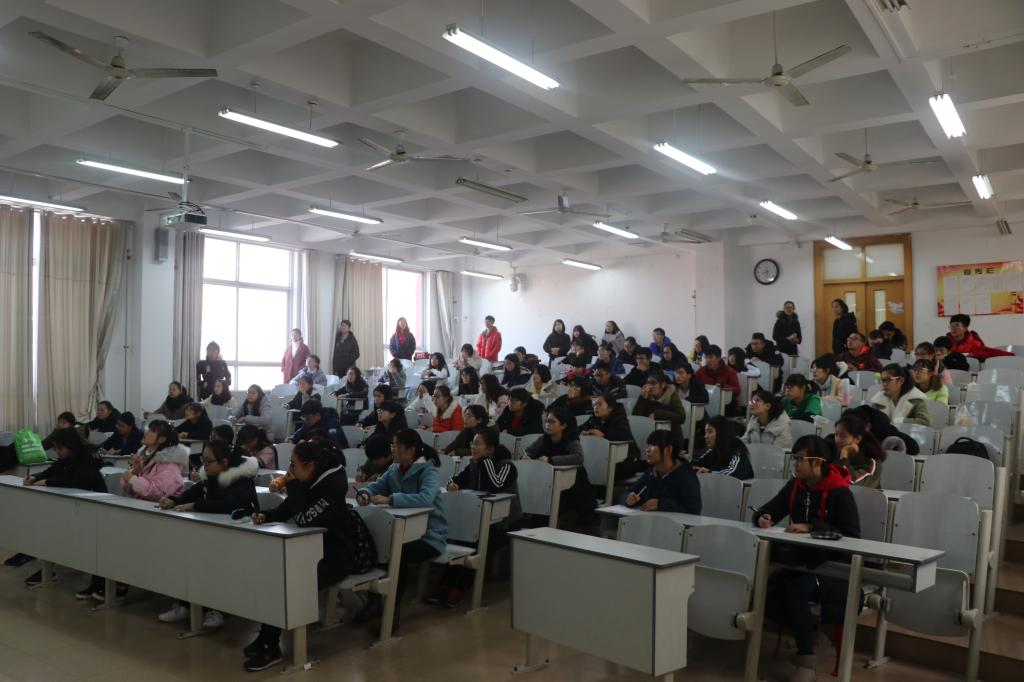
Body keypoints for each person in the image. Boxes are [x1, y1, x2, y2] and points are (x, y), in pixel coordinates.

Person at [248, 440, 374, 670]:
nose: (290, 470)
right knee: (276, 573)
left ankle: (271, 647)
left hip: (336, 557)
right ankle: (265, 637)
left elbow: (304, 519)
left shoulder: (332, 485)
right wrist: (267, 515)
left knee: (290, 581)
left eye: (293, 465)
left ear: (311, 466)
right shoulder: (311, 477)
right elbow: (290, 508)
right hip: (310, 552)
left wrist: (293, 486)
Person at [754, 435, 860, 680]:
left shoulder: (839, 491)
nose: (796, 464)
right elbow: (769, 508)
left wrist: (812, 527)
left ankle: (807, 660)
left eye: (801, 459)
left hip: (832, 568)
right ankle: (811, 637)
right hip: (801, 563)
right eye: (795, 458)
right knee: (767, 589)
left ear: (818, 462)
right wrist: (763, 517)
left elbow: (852, 537)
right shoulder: (796, 486)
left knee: (795, 591)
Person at [156, 439, 259, 629]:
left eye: (208, 461)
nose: (204, 465)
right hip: (213, 536)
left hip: (240, 540)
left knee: (210, 562)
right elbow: (193, 492)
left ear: (224, 462)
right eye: (203, 460)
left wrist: (195, 505)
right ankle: (187, 604)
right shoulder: (211, 478)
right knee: (187, 555)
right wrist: (174, 500)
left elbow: (229, 505)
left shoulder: (242, 481)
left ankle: (214, 609)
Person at [356, 430, 447, 635]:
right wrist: (365, 493)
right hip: (401, 532)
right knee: (375, 546)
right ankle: (375, 602)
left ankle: (391, 612)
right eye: (392, 445)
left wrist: (390, 499)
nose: (393, 450)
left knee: (398, 553)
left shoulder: (428, 470)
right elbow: (376, 486)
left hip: (429, 536)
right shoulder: (394, 468)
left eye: (396, 446)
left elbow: (425, 498)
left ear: (411, 450)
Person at [435, 429, 521, 608]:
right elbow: (456, 478)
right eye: (472, 443)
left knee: (476, 542)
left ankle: (460, 587)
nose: (472, 447)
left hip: (505, 524)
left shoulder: (507, 466)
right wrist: (453, 484)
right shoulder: (473, 464)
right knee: (463, 537)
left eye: (477, 443)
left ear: (490, 449)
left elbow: (495, 485)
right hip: (478, 520)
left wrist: (485, 462)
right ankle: (445, 585)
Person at [21, 428, 105, 589]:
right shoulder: (66, 457)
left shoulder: (87, 457)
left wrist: (47, 482)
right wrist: (35, 477)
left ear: (71, 446)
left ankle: (97, 580)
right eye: (55, 448)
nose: (57, 452)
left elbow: (75, 481)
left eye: (60, 448)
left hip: (93, 506)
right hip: (72, 504)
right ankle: (49, 569)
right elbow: (52, 471)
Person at [524, 407, 594, 521]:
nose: (547, 424)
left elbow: (578, 458)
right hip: (550, 482)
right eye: (547, 421)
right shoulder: (544, 438)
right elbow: (528, 451)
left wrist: (551, 460)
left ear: (563, 425)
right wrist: (526, 457)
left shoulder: (571, 440)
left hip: (573, 486)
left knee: (544, 513)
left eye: (552, 422)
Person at [621, 430, 701, 513]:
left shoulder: (686, 476)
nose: (647, 450)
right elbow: (627, 492)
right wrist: (628, 499)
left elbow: (694, 510)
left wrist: (660, 504)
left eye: (653, 445)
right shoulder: (651, 473)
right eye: (648, 445)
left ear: (668, 450)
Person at [121, 420, 188, 501]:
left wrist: (133, 479)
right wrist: (136, 471)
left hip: (162, 508)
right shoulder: (143, 457)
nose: (146, 432)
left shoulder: (169, 464)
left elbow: (159, 494)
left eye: (152, 431)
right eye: (148, 429)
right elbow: (130, 491)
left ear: (161, 439)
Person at [580, 394, 641, 473]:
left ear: (610, 408)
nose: (596, 407)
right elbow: (579, 429)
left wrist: (603, 435)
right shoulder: (594, 418)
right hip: (605, 457)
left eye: (599, 404)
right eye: (594, 405)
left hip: (627, 458)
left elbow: (624, 435)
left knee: (601, 471)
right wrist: (583, 433)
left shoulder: (619, 417)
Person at [632, 368, 686, 451]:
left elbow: (681, 417)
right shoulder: (646, 395)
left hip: (671, 439)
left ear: (663, 385)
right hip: (649, 436)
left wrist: (658, 414)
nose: (650, 386)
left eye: (653, 383)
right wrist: (642, 399)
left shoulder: (671, 395)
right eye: (648, 383)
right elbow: (636, 418)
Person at [834, 414, 886, 488]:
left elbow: (853, 484)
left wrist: (844, 455)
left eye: (843, 436)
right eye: (836, 435)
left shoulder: (872, 461)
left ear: (858, 438)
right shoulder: (833, 451)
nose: (838, 440)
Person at [695, 345, 741, 415]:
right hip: (706, 401)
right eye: (706, 357)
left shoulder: (729, 371)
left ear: (718, 358)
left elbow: (737, 390)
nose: (708, 360)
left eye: (710, 357)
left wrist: (723, 386)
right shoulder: (700, 372)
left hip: (726, 404)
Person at [947, 313, 1012, 360]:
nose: (953, 328)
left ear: (965, 328)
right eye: (951, 326)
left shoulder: (975, 344)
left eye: (957, 325)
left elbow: (988, 354)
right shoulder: (944, 343)